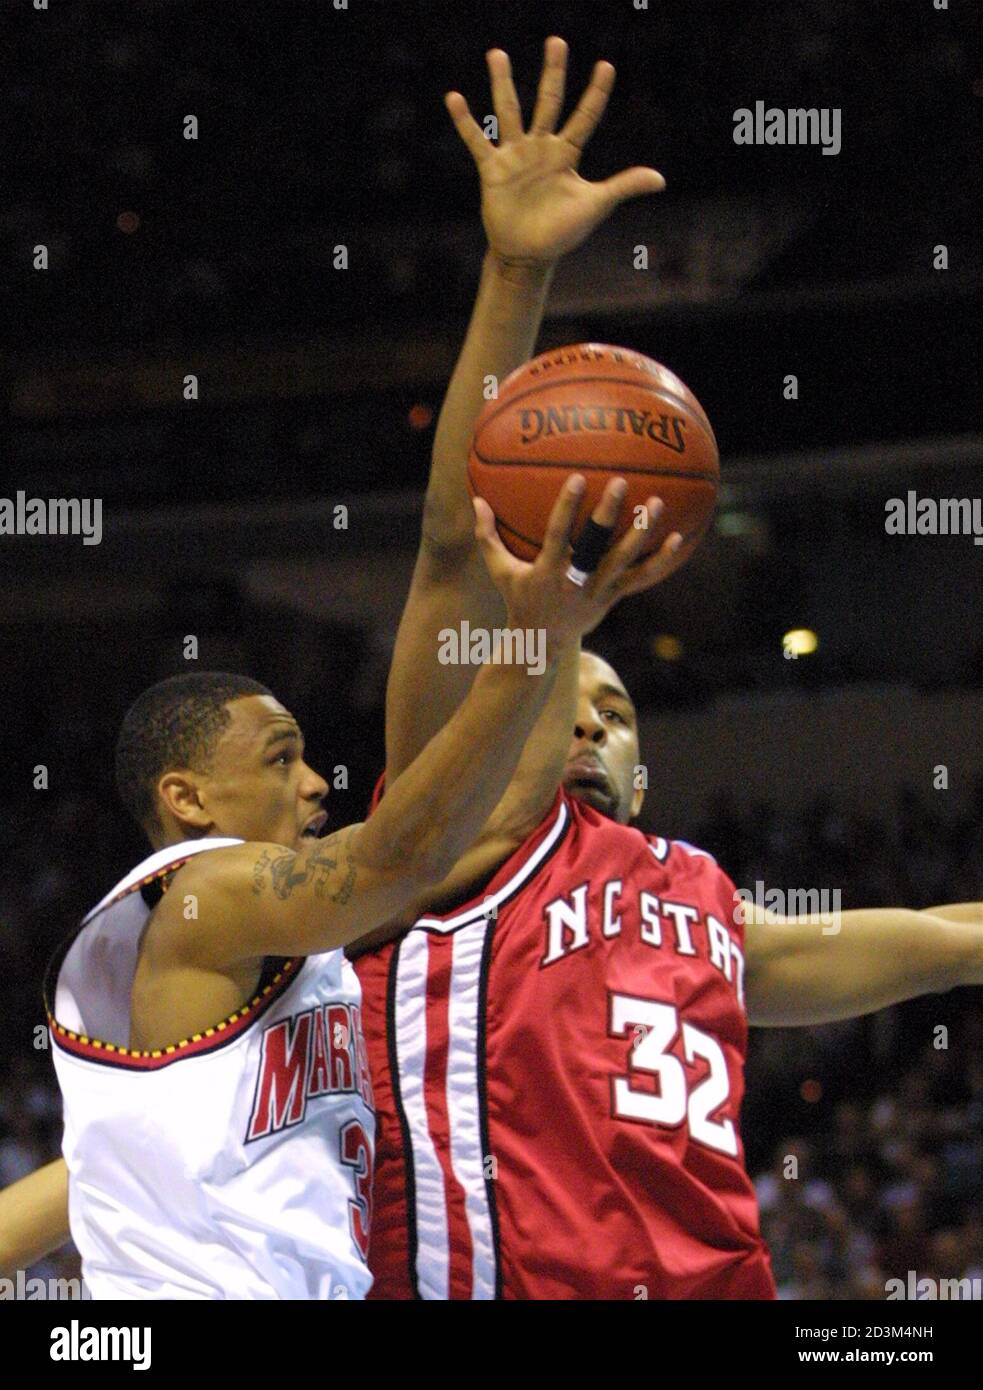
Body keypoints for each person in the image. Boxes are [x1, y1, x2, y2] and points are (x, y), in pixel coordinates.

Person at [349, 38, 983, 1298]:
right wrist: (517, 272)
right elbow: (445, 551)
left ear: (643, 770)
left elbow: (929, 938)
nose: (584, 720)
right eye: (560, 691)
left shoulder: (698, 903)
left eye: (617, 708)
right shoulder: (452, 832)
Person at [30, 482, 674, 1300]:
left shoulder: (280, 945)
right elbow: (398, 855)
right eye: (278, 758)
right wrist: (536, 640)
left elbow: (494, 819)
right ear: (187, 799)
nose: (312, 784)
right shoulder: (202, 890)